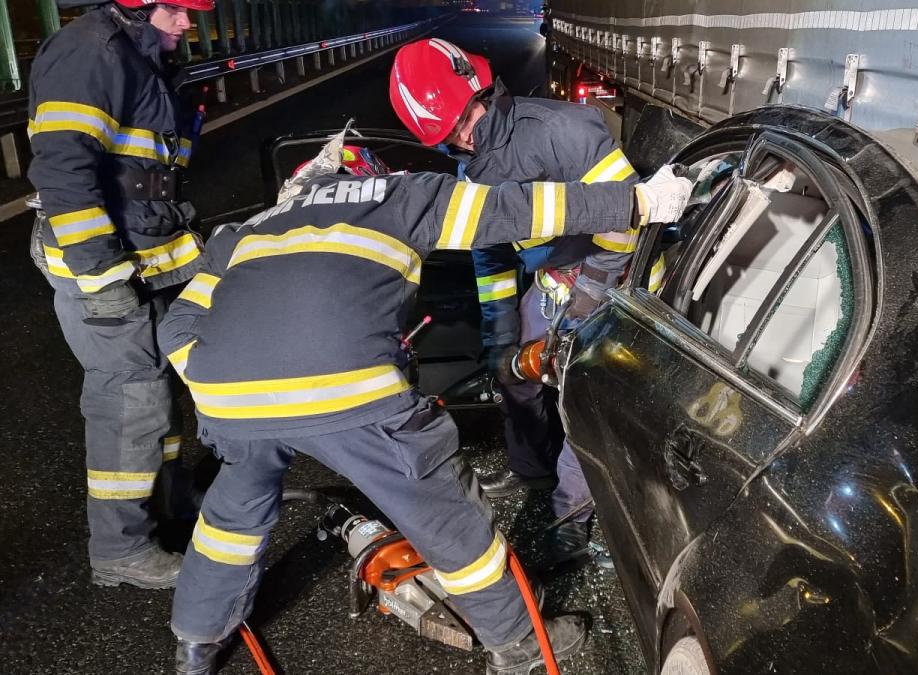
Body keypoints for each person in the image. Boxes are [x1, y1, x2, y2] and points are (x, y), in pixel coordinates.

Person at [163, 145, 692, 673]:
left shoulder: (249, 230)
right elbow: (516, 210)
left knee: (230, 522)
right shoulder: (397, 195)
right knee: (447, 516)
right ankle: (517, 644)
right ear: (366, 172)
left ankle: (196, 644)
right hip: (348, 386)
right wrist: (638, 202)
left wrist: (224, 388)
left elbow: (177, 329)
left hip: (227, 395)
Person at [390, 38, 657, 567]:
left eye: (466, 120)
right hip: (555, 281)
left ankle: (569, 517)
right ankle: (531, 470)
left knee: (581, 394)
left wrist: (591, 292)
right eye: (450, 137)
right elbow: (489, 254)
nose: (463, 140)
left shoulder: (564, 130)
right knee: (514, 373)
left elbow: (629, 216)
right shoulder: (471, 169)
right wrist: (499, 329)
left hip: (612, 278)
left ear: (481, 88)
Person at [26, 0, 213, 589]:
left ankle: (170, 503)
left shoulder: (140, 56)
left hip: (145, 253)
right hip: (104, 264)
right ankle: (119, 549)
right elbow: (62, 174)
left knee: (159, 386)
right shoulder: (90, 54)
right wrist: (102, 276)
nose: (188, 23)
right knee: (130, 400)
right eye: (177, 10)